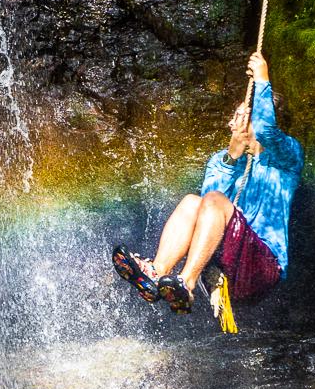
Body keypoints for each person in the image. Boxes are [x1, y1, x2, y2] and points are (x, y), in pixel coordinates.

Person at [113, 53, 303, 318]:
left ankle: (186, 283)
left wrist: (262, 77)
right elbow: (208, 213)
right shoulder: (220, 161)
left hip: (261, 267)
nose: (232, 122)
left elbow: (267, 131)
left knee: (212, 200)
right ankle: (156, 274)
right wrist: (232, 158)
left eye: (241, 115)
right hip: (223, 263)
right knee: (194, 202)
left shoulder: (287, 158)